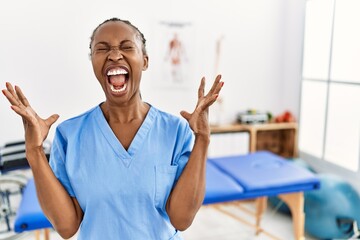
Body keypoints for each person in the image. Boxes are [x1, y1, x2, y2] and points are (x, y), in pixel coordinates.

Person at [2, 17, 223, 240]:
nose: (115, 55)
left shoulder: (175, 131)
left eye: (127, 47)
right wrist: (34, 152)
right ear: (93, 62)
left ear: (144, 61)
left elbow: (182, 219)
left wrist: (202, 139)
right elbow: (67, 227)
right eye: (102, 48)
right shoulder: (70, 135)